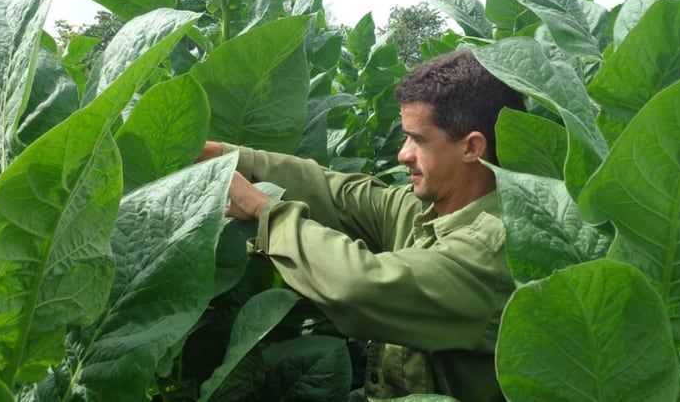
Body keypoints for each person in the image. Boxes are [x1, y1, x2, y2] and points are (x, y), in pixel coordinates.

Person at [197, 50, 524, 401]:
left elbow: (359, 286)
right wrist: (220, 156)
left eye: (419, 139)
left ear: (472, 147)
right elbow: (332, 191)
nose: (403, 154)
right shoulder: (425, 207)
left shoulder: (499, 247)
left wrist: (268, 214)